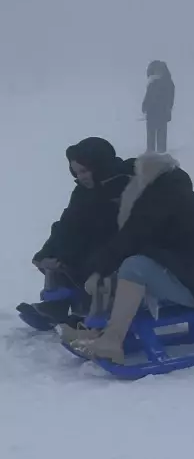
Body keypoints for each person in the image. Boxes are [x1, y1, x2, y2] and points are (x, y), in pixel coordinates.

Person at [59, 152, 194, 365]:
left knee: (135, 267)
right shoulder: (171, 191)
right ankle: (98, 332)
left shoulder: (161, 197)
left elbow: (132, 236)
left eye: (136, 174)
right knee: (130, 266)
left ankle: (112, 341)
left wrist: (97, 270)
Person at [17, 138, 134, 329]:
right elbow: (67, 224)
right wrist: (45, 255)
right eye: (77, 172)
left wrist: (66, 255)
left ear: (100, 166)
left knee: (76, 253)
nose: (81, 177)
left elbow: (109, 230)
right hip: (94, 252)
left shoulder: (123, 187)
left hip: (120, 254)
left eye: (85, 171)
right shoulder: (83, 191)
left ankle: (87, 310)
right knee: (61, 242)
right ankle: (57, 305)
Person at [142, 61, 175, 153]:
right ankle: (151, 151)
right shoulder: (152, 82)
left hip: (162, 111)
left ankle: (160, 152)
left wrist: (168, 109)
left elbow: (170, 98)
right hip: (152, 111)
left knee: (161, 134)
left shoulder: (167, 82)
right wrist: (144, 105)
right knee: (151, 134)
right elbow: (148, 96)